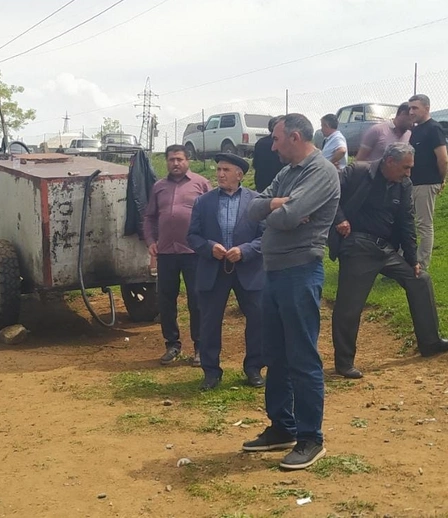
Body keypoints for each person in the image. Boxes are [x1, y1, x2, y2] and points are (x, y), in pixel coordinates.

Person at [244, 113, 340, 470]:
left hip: (300, 272)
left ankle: (311, 438)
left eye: (277, 139)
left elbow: (287, 217)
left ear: (295, 137)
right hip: (274, 271)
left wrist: (282, 209)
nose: (272, 145)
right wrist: (277, 204)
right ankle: (282, 427)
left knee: (302, 356)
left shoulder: (321, 172)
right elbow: (253, 208)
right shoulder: (288, 173)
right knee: (276, 354)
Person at [330, 143, 448, 378]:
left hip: (386, 250)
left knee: (419, 279)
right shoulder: (358, 172)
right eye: (405, 167)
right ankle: (344, 363)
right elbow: (330, 195)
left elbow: (407, 221)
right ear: (389, 162)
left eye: (410, 168)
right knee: (349, 306)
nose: (408, 173)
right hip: (358, 246)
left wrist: (413, 258)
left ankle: (430, 342)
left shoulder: (404, 184)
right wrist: (340, 219)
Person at [187, 153, 265, 391]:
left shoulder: (257, 200)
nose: (220, 174)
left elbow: (267, 237)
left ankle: (254, 368)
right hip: (214, 269)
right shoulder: (204, 202)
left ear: (239, 175)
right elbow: (192, 236)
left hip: (248, 270)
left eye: (226, 170)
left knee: (258, 320)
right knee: (209, 322)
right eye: (219, 169)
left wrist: (245, 250)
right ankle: (211, 372)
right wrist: (210, 248)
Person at [143, 145, 211, 366]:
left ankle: (200, 347)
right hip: (166, 252)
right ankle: (172, 344)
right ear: (166, 161)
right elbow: (150, 217)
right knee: (166, 300)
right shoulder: (159, 187)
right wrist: (151, 241)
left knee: (197, 301)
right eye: (171, 160)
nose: (175, 163)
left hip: (193, 252)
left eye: (179, 159)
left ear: (187, 160)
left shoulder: (201, 184)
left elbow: (212, 214)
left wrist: (208, 245)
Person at [408, 94, 448, 270]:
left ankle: (422, 264)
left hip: (427, 183)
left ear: (427, 108)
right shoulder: (416, 130)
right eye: (410, 108)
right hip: (411, 183)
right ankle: (406, 259)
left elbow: (443, 158)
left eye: (415, 108)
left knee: (424, 225)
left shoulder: (434, 128)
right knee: (407, 221)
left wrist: (441, 179)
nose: (411, 112)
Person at [252, 116, 284, 192]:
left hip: (261, 182)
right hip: (279, 185)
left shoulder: (260, 142)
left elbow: (255, 164)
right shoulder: (283, 143)